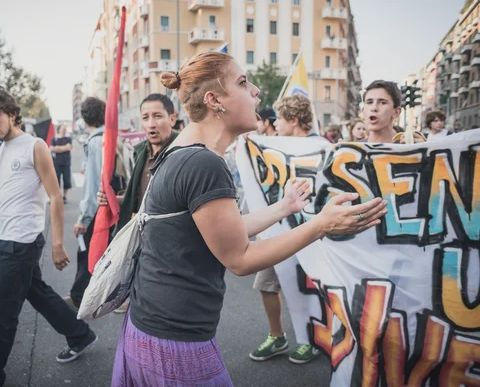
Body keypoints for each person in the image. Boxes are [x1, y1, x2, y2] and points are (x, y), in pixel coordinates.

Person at [110, 51, 388, 385]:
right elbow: (240, 258)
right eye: (243, 82)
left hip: (153, 329)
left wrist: (284, 207)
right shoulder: (204, 164)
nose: (256, 91)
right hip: (175, 343)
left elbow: (220, 232)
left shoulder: (184, 152)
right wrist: (321, 225)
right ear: (215, 100)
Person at [0, 87, 97, 387]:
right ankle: (80, 335)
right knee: (37, 293)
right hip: (7, 239)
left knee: (1, 313)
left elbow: (55, 196)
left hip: (23, 242)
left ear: (11, 113)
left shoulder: (34, 145)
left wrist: (56, 243)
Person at [247, 94, 327, 365]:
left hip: (308, 234)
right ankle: (277, 336)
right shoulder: (274, 147)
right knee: (266, 284)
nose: (275, 123)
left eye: (280, 118)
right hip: (276, 232)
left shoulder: (321, 147)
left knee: (310, 289)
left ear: (294, 120)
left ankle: (311, 340)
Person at [95, 93, 179, 314]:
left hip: (173, 242)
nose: (151, 124)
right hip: (144, 235)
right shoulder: (141, 151)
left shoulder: (183, 151)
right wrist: (114, 199)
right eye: (146, 117)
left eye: (158, 116)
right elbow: (138, 195)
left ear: (172, 118)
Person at [66, 97, 105, 310]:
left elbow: (93, 185)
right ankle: (82, 294)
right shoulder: (106, 137)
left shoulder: (95, 141)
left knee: (87, 253)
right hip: (108, 207)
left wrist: (83, 218)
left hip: (99, 209)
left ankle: (80, 297)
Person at [50, 125, 73, 204]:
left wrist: (57, 148)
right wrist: (64, 148)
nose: (64, 130)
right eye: (62, 129)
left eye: (65, 129)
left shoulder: (68, 139)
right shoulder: (54, 139)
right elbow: (52, 149)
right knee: (56, 181)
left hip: (66, 163)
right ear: (59, 130)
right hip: (56, 163)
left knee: (67, 180)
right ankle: (57, 196)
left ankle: (64, 196)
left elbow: (69, 147)